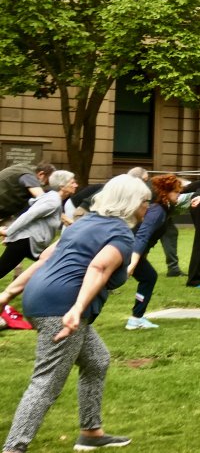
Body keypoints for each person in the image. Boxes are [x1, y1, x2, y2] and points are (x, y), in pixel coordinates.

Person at [0, 174, 151, 452]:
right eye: (145, 202)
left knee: (97, 360)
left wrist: (8, 293)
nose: (147, 208)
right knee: (46, 382)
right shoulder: (120, 233)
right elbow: (98, 268)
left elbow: (46, 259)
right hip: (62, 307)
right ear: (132, 203)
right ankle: (13, 447)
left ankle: (91, 432)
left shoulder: (84, 223)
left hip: (40, 298)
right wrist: (76, 310)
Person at [122, 175, 185, 330]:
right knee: (148, 277)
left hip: (129, 249)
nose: (179, 195)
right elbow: (142, 235)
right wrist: (132, 264)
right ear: (166, 193)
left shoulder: (162, 208)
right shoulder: (157, 211)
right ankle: (136, 319)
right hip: (128, 249)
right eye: (176, 192)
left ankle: (136, 318)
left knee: (148, 277)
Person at [0, 171, 76, 280]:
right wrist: (8, 232)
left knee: (53, 266)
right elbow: (29, 215)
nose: (75, 185)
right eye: (72, 182)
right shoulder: (53, 201)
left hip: (33, 244)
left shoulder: (53, 199)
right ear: (62, 186)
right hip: (25, 242)